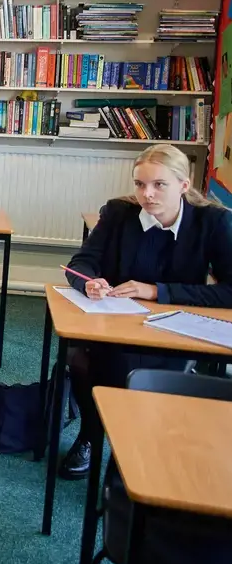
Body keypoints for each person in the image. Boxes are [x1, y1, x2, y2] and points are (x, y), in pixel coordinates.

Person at [58, 143, 232, 478]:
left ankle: (147, 444)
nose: (147, 194)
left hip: (174, 329)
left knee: (147, 378)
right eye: (140, 184)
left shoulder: (213, 221)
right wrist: (89, 283)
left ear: (184, 185)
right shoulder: (117, 213)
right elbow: (81, 264)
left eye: (159, 185)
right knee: (82, 362)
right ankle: (91, 435)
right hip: (114, 322)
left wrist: (156, 291)